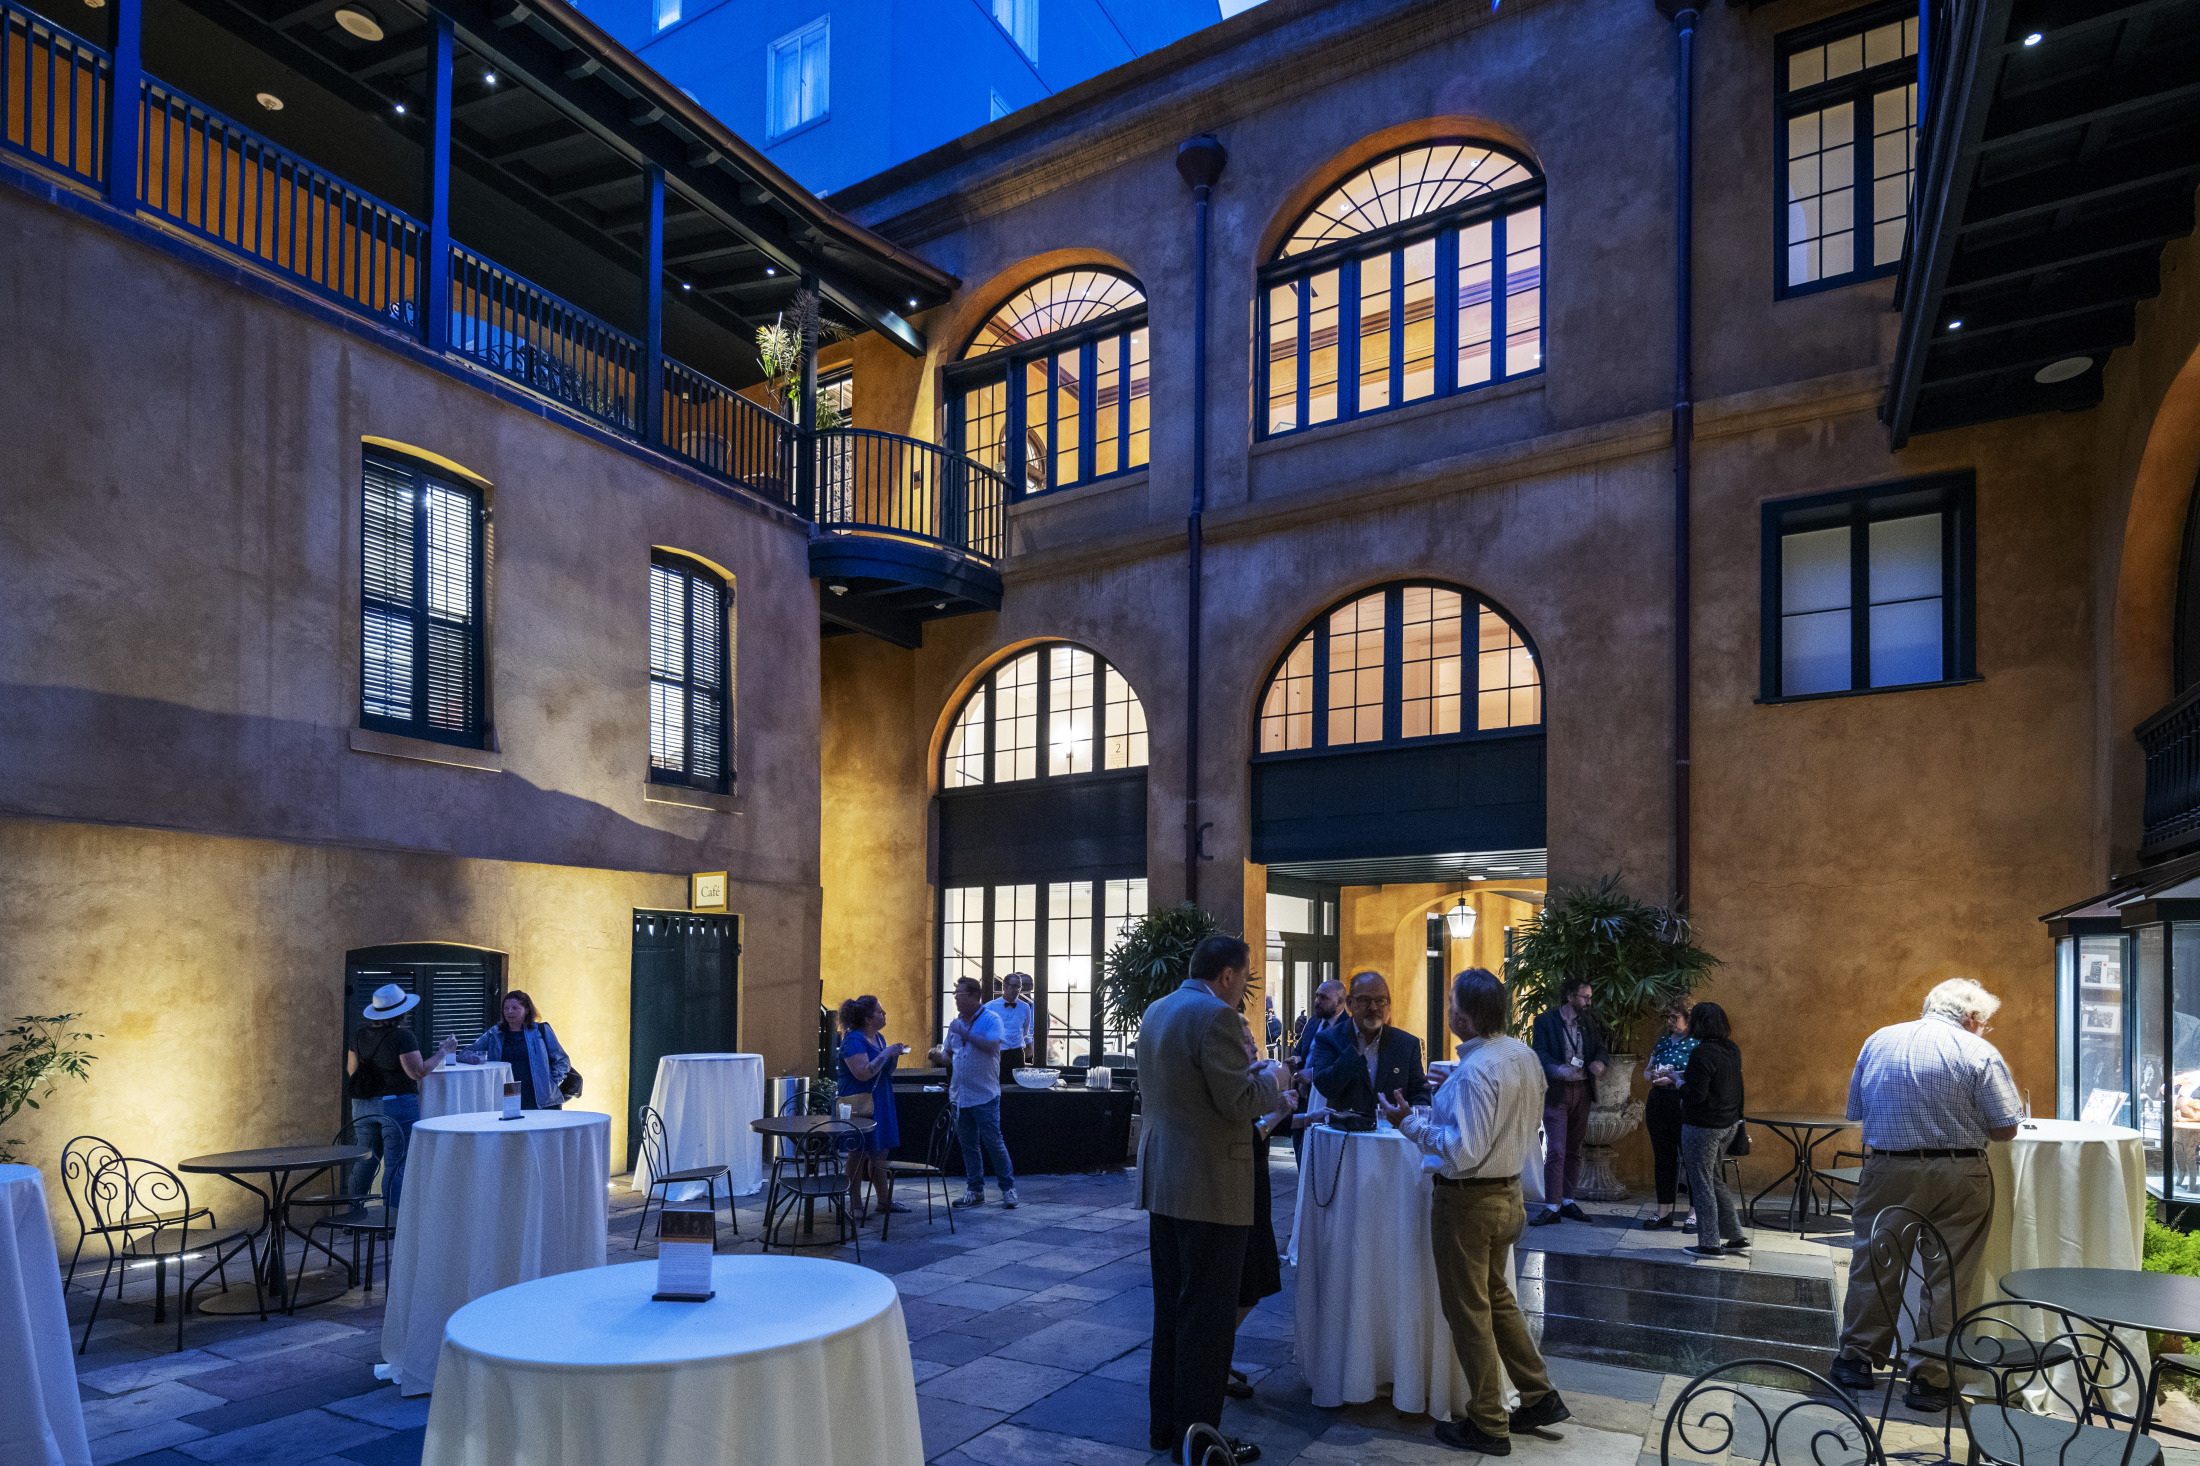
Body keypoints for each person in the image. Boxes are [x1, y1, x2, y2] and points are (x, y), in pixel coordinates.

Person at [1380, 969, 1570, 1456]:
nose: (1447, 1011)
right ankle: (1539, 1394)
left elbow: (1463, 1152)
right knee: (1497, 1298)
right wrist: (1445, 1099)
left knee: (1469, 1312)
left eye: (1450, 1004)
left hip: (1468, 1203)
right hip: (1509, 1197)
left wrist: (1410, 1124)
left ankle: (1488, 1422)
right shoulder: (1521, 1056)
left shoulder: (1477, 1071)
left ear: (1462, 1014)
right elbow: (1504, 1124)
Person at [1830, 978, 2022, 1412]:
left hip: (1889, 1169)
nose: (1984, 1030)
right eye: (1984, 1023)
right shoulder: (1979, 1052)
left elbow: (1857, 1110)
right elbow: (2006, 1129)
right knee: (1948, 1277)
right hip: (1961, 1174)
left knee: (1875, 1262)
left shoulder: (1880, 1040)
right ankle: (1930, 1379)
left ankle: (1855, 1361)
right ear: (1972, 1017)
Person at [1138, 934, 1286, 1466]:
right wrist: (1276, 1078)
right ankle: (1200, 1440)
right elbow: (1238, 1103)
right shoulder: (1216, 1017)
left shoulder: (1158, 1009)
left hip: (1165, 1182)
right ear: (1227, 975)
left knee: (1171, 1310)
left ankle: (1167, 1428)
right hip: (1211, 1186)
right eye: (1245, 977)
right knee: (1207, 1318)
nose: (1244, 987)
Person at [1226, 1010, 1297, 1402]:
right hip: (1240, 1192)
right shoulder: (1236, 1085)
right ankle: (1213, 1359)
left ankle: (1217, 1355)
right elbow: (1247, 1134)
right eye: (1250, 1042)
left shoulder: (1248, 1083)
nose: (1257, 1046)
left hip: (1256, 1189)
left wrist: (1298, 1115)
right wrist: (1277, 1112)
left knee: (1254, 1280)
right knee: (1247, 1281)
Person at [347, 984, 457, 1214]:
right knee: (397, 1164)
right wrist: (443, 1052)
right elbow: (417, 1072)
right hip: (395, 1105)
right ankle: (392, 1220)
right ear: (402, 1012)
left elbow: (351, 1070)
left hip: (362, 1105)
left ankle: (353, 1214)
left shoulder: (359, 1035)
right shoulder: (403, 1037)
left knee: (365, 1160)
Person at [1528, 977, 1609, 1225]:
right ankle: (1551, 1206)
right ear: (1570, 996)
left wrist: (1600, 1062)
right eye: (1585, 997)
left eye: (1590, 997)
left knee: (1574, 1150)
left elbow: (1601, 1048)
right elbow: (1538, 1053)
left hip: (1582, 1090)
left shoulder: (1590, 1021)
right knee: (1556, 1150)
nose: (1588, 1001)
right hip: (1557, 1092)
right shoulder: (1545, 1021)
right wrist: (1556, 1069)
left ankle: (1567, 1201)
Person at [1677, 1001, 1749, 1260]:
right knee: (1714, 1179)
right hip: (1727, 1125)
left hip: (1702, 1127)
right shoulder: (1732, 1049)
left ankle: (1709, 1244)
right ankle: (1736, 1236)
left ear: (1699, 1023)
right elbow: (1735, 1086)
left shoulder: (1701, 1053)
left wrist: (1678, 1083)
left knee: (1702, 1183)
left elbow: (1696, 1095)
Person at [1308, 970, 1430, 1118]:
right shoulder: (1329, 1039)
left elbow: (1419, 1090)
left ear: (1388, 1004)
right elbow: (1326, 1087)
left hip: (1392, 1136)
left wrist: (1417, 1114)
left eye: (1380, 1000)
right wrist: (1353, 1054)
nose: (1373, 1007)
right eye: (1365, 1000)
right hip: (1347, 1135)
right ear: (1349, 1003)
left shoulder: (1407, 1044)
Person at [944, 977, 1019, 1209]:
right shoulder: (955, 1023)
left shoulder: (990, 1019)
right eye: (955, 994)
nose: (956, 998)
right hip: (960, 1095)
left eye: (960, 995)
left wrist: (966, 1034)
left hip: (984, 1095)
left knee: (994, 1142)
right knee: (968, 1145)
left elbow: (992, 1045)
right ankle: (975, 1190)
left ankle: (1008, 1189)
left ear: (974, 996)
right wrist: (938, 1056)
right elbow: (949, 1054)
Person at [836, 995, 909, 1219]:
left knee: (880, 1151)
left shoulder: (879, 1038)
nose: (884, 1014)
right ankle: (855, 1204)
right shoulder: (854, 1041)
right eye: (879, 1011)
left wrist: (893, 1055)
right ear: (868, 1019)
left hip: (881, 1098)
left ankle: (884, 1200)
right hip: (858, 1101)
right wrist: (887, 1054)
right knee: (857, 1152)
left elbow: (883, 1071)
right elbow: (863, 1072)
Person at [458, 990, 572, 1110]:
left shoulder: (541, 1030)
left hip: (540, 1096)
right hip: (507, 1092)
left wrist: (551, 1081)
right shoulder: (495, 1033)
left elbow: (562, 1060)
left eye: (515, 1008)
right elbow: (466, 1052)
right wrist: (474, 1058)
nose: (509, 1012)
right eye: (506, 1008)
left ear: (526, 1010)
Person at [1641, 995, 1697, 1230]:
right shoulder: (1663, 1042)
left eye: (1675, 1017)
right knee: (1663, 1158)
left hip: (1682, 1102)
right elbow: (1646, 1071)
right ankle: (1663, 1211)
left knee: (1691, 1159)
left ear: (1688, 1018)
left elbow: (1698, 1076)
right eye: (1668, 1017)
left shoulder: (1696, 1044)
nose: (1670, 1022)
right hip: (1658, 1102)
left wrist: (1674, 1077)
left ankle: (1694, 1213)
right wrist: (1653, 1075)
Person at [983, 972, 1038, 1086]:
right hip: (997, 1053)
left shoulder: (1025, 1007)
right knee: (995, 1085)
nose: (1016, 990)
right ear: (1004, 986)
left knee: (1016, 1087)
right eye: (1013, 986)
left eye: (1018, 986)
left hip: (1016, 1053)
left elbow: (1025, 1030)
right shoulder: (990, 1006)